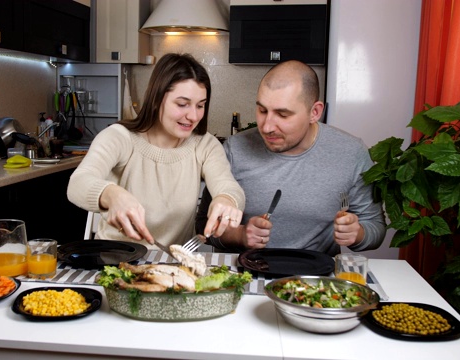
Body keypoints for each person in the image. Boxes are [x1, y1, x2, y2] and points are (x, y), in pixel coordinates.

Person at [196, 60, 386, 256]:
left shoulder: (351, 153)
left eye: (283, 114)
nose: (267, 126)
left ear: (315, 112)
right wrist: (241, 235)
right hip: (245, 276)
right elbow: (203, 226)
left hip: (316, 280)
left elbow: (376, 227)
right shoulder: (235, 149)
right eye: (262, 110)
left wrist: (358, 234)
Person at [67, 53, 245, 249]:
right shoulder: (119, 137)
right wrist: (112, 194)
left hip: (174, 266)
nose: (193, 116)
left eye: (200, 105)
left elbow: (228, 187)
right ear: (156, 99)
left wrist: (226, 200)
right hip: (114, 259)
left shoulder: (205, 145)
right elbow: (77, 183)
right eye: (182, 104)